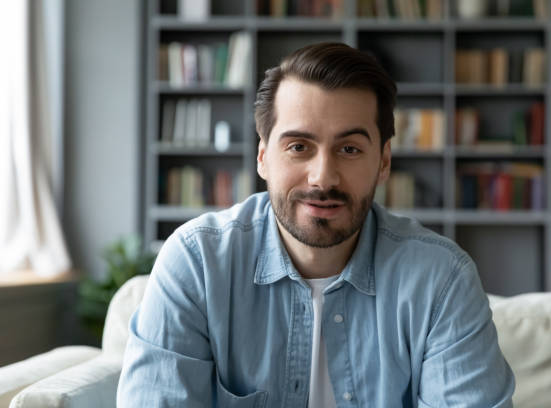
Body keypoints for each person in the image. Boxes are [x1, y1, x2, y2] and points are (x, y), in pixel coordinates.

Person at [117, 42, 515, 407]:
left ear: (384, 161)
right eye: (298, 147)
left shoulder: (441, 280)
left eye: (349, 149)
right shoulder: (197, 265)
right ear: (262, 157)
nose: (323, 178)